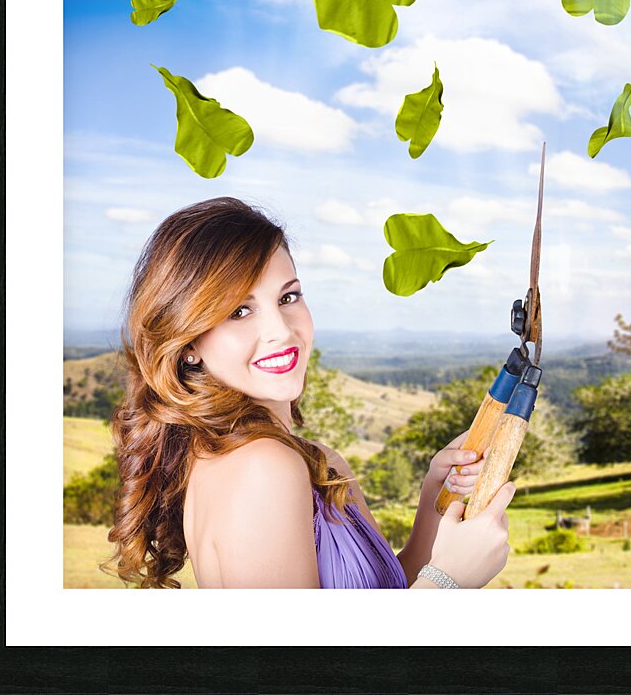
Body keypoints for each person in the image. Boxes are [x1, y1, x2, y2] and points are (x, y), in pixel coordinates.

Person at [101, 196, 515, 589]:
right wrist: (449, 580)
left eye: (288, 296)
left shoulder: (312, 461)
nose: (281, 330)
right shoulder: (262, 468)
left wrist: (433, 503)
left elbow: (384, 594)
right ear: (188, 343)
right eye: (238, 311)